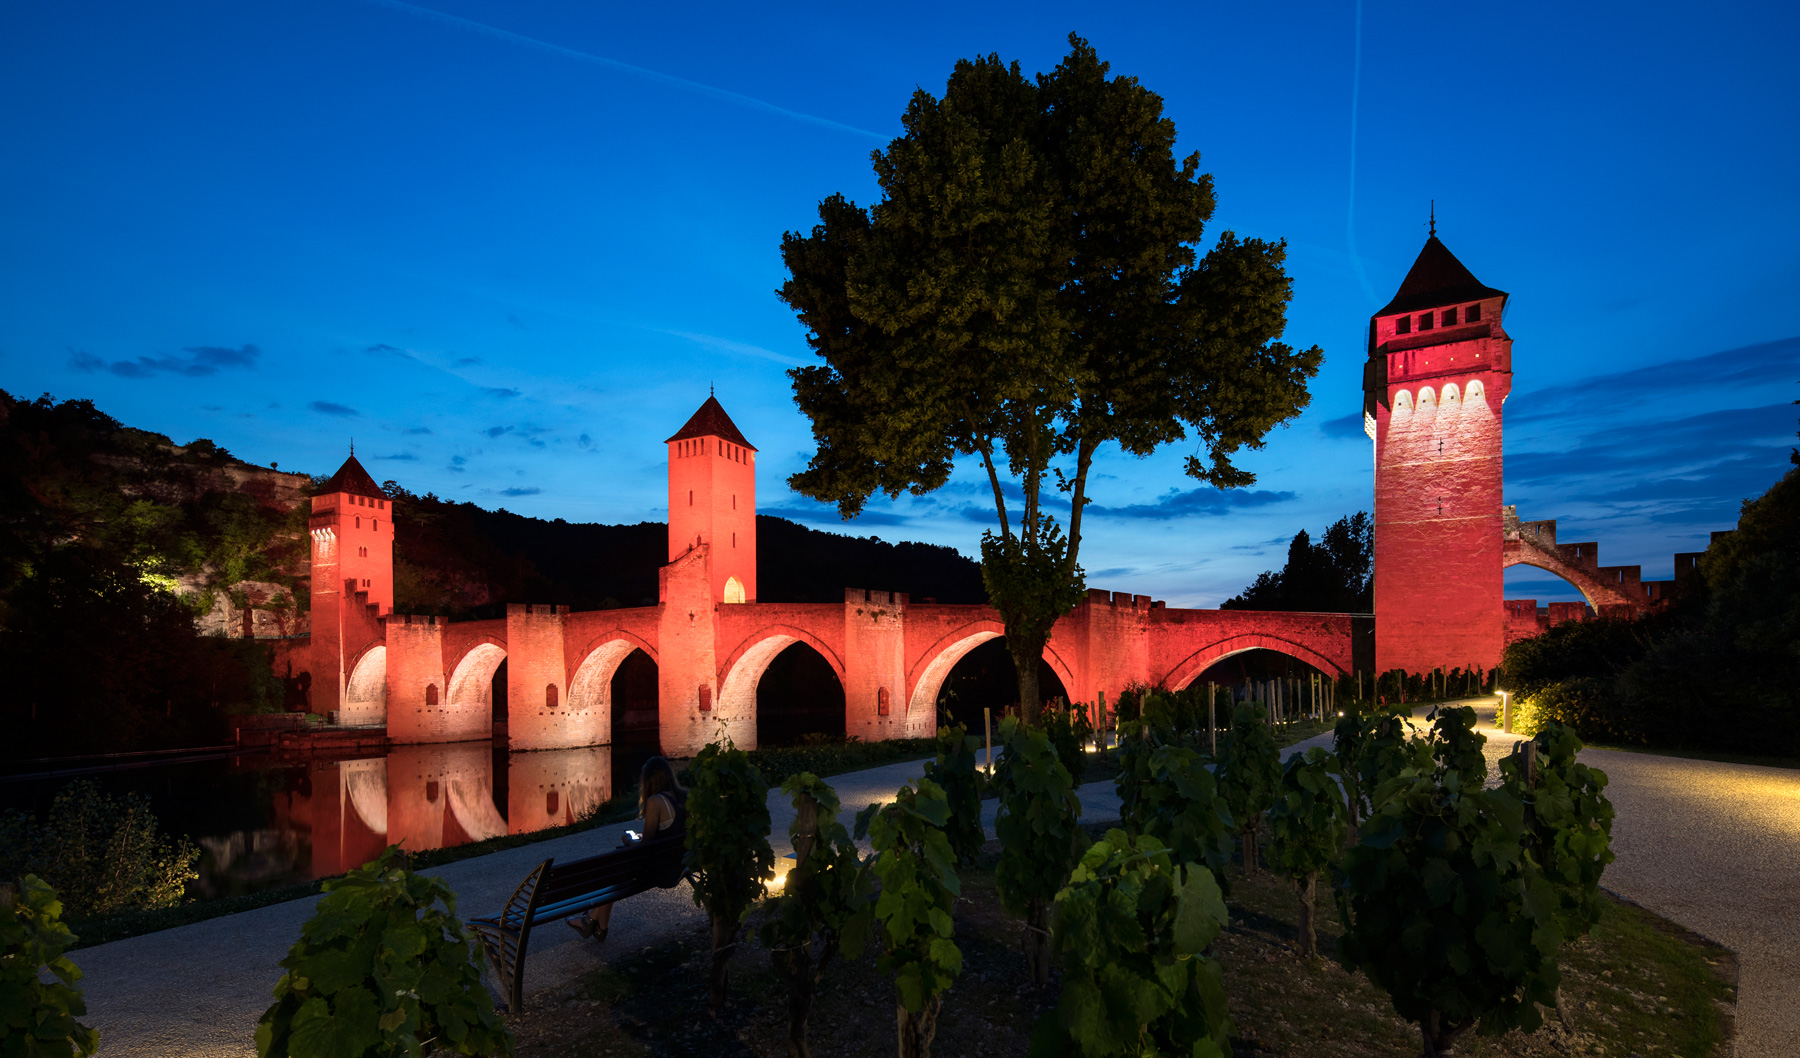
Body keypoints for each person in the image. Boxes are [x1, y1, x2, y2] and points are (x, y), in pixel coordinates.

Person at [566, 756, 686, 942]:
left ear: (649, 779)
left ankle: (591, 920)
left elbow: (645, 846)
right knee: (616, 866)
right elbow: (664, 835)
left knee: (615, 866)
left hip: (661, 871)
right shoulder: (683, 797)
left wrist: (630, 841)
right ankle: (597, 925)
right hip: (677, 865)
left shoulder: (656, 801)